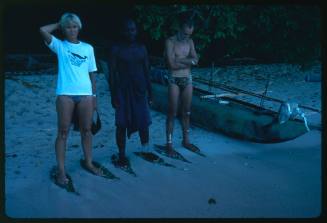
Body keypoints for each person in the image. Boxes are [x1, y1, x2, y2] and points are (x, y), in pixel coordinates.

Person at [40, 12, 103, 187]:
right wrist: (59, 23)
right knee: (63, 132)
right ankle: (61, 170)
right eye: (68, 27)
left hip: (86, 95)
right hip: (65, 94)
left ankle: (88, 162)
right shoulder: (60, 46)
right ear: (63, 29)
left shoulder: (88, 48)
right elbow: (42, 30)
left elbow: (92, 75)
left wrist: (94, 96)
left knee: (87, 130)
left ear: (79, 27)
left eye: (74, 26)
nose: (72, 30)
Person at [109, 18, 152, 167]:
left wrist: (150, 92)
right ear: (122, 32)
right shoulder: (117, 49)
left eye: (133, 29)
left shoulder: (142, 48)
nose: (130, 33)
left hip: (140, 89)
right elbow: (112, 74)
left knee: (143, 121)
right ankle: (122, 155)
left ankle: (145, 149)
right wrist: (113, 95)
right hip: (122, 89)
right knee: (121, 123)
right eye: (127, 30)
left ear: (136, 31)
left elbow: (147, 71)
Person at [164, 14, 200, 156]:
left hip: (187, 79)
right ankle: (169, 144)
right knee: (172, 112)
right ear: (179, 28)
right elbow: (171, 64)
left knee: (187, 112)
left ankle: (186, 140)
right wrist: (188, 61)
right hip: (174, 80)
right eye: (185, 33)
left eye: (189, 34)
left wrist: (181, 60)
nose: (187, 36)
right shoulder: (170, 42)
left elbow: (196, 60)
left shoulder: (190, 42)